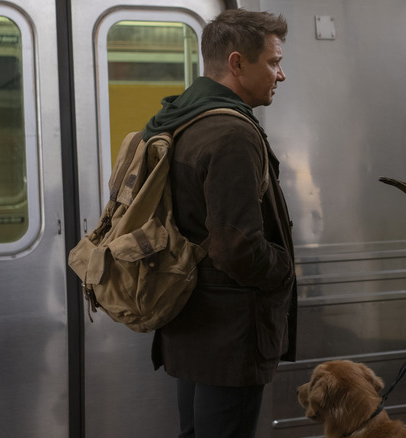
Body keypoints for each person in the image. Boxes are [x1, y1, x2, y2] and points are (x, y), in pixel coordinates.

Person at [145, 9, 296, 438]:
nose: (280, 75)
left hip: (191, 327)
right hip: (230, 337)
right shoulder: (232, 134)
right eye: (273, 62)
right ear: (236, 63)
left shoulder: (181, 119)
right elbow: (236, 246)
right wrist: (284, 267)